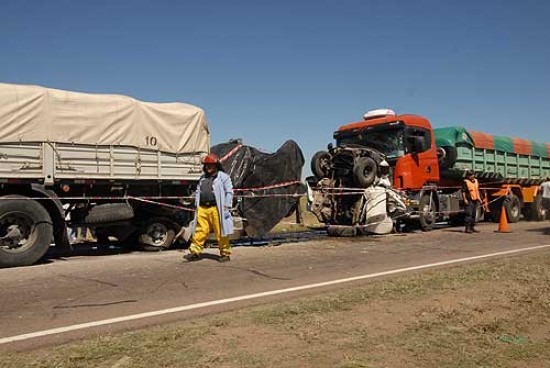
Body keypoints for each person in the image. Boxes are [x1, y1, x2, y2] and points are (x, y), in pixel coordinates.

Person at [184, 153, 234, 262]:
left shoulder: (223, 177)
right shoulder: (202, 178)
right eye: (206, 165)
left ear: (216, 165)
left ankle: (225, 253)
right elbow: (198, 191)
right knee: (200, 231)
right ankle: (195, 252)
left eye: (211, 165)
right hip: (202, 208)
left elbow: (229, 192)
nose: (208, 167)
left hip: (216, 209)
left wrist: (226, 206)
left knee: (221, 231)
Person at [462, 169, 482, 233]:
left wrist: (479, 199)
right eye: (469, 175)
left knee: (474, 214)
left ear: (474, 175)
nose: (470, 176)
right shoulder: (465, 182)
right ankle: (467, 228)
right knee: (468, 214)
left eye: (471, 175)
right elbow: (463, 191)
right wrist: (465, 199)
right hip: (469, 200)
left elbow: (477, 190)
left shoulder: (476, 181)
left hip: (475, 199)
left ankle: (472, 227)